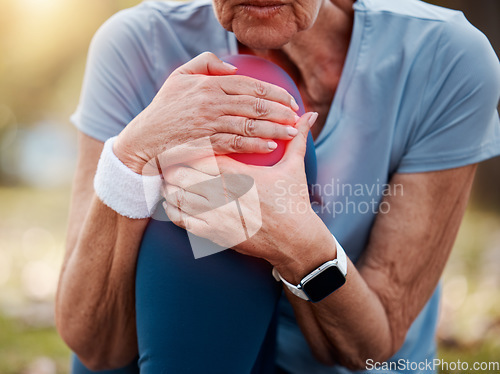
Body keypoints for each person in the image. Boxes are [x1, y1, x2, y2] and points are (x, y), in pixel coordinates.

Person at [55, 0, 500, 373]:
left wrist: (299, 245)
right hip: (179, 346)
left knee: (231, 152)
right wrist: (134, 154)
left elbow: (370, 349)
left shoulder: (445, 57)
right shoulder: (138, 41)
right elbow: (95, 345)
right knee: (202, 156)